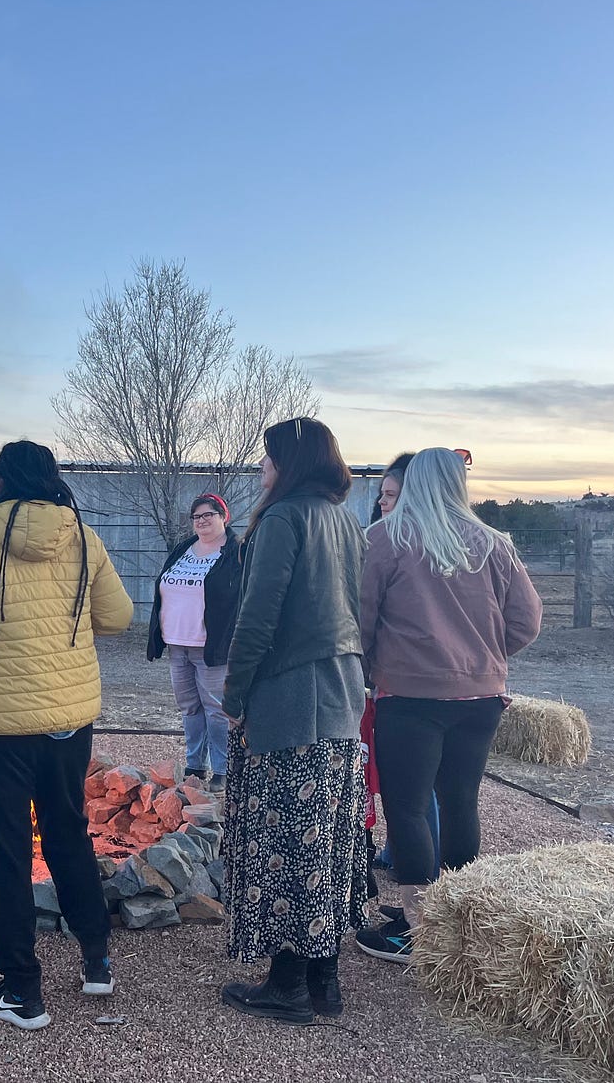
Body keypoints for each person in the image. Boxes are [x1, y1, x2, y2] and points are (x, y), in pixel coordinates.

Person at [0, 440, 134, 1032]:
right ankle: (96, 960)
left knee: (9, 851)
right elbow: (118, 617)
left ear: (0, 480)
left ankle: (22, 989)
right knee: (68, 833)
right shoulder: (82, 535)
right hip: (69, 718)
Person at [355, 448, 541, 964]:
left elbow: (362, 617)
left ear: (414, 482)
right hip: (481, 698)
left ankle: (418, 929)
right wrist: (484, 659)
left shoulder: (384, 539)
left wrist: (369, 671)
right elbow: (527, 621)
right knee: (460, 803)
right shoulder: (495, 544)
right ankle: (457, 920)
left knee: (408, 808)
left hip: (410, 697)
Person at [219, 417, 368, 1026]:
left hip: (291, 695)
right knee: (325, 837)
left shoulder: (283, 519)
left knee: (288, 836)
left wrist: (234, 694)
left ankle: (287, 986)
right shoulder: (343, 519)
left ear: (291, 462)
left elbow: (259, 618)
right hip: (342, 689)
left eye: (269, 457)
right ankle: (323, 980)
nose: (263, 466)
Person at [365, 452, 441, 879]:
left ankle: (422, 888)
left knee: (412, 792)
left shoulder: (389, 542)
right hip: (459, 686)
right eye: (381, 494)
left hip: (411, 684)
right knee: (435, 790)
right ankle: (405, 854)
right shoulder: (465, 541)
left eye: (391, 495)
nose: (382, 502)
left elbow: (366, 614)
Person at [145, 493, 243, 792]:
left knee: (216, 709)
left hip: (212, 646)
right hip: (177, 643)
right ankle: (195, 765)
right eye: (196, 516)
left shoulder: (236, 552)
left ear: (223, 516)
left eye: (208, 515)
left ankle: (222, 769)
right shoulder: (183, 549)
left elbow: (241, 597)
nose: (202, 521)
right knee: (188, 707)